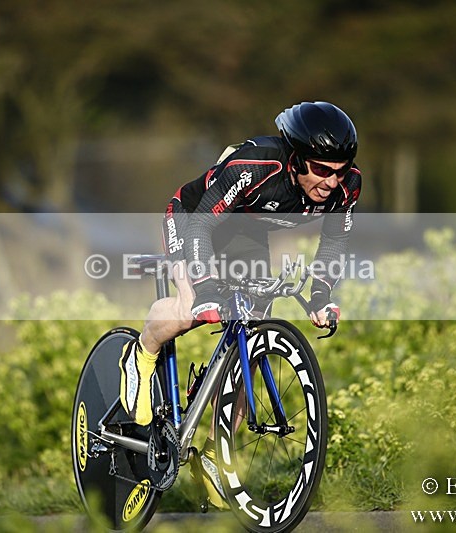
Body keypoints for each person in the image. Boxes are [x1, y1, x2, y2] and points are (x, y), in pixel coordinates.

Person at [119, 101, 361, 506]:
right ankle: (141, 355)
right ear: (297, 159)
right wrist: (206, 285)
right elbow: (200, 224)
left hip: (247, 230)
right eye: (321, 170)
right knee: (190, 305)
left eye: (338, 171)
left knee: (251, 336)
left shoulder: (348, 184)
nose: (331, 182)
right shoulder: (256, 165)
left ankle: (216, 452)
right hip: (194, 219)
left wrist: (321, 295)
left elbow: (335, 242)